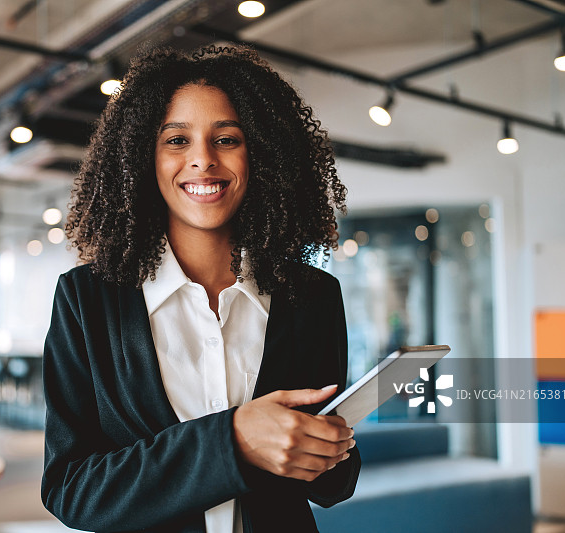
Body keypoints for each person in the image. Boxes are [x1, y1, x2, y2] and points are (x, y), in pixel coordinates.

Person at [41, 44, 360, 533]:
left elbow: (333, 485)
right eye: (176, 140)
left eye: (227, 138)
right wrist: (231, 441)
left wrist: (327, 451)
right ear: (142, 157)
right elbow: (71, 488)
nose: (203, 161)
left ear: (261, 154)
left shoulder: (311, 296)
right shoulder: (88, 300)